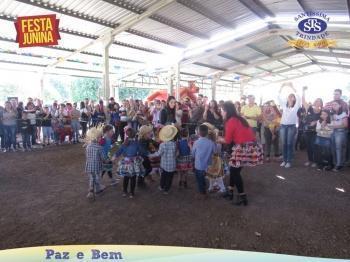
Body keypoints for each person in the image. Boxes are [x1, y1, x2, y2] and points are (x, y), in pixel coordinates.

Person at [217, 101, 263, 206]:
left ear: (227, 111)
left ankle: (243, 198)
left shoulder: (231, 121)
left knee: (235, 171)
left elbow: (227, 140)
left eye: (222, 110)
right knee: (234, 169)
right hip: (249, 146)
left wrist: (216, 138)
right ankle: (230, 192)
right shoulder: (238, 118)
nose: (221, 112)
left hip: (244, 147)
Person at [112, 128, 145, 198]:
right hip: (134, 162)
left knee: (126, 177)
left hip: (126, 162)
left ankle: (124, 191)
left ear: (127, 134)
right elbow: (142, 151)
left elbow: (119, 151)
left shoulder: (124, 142)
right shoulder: (136, 142)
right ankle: (132, 193)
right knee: (133, 178)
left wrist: (114, 157)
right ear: (135, 135)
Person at [278, 83, 301, 168]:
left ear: (294, 99)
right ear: (287, 98)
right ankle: (284, 160)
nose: (291, 98)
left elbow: (298, 97)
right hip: (283, 126)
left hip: (291, 126)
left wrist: (292, 87)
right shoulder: (284, 105)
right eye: (289, 97)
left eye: (292, 97)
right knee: (284, 143)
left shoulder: (296, 106)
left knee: (289, 143)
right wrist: (282, 87)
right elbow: (278, 96)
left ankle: (289, 161)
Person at [150, 125, 178, 195]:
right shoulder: (174, 144)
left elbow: (158, 154)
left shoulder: (162, 145)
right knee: (169, 178)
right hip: (172, 165)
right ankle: (166, 189)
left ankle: (161, 186)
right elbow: (176, 154)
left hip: (164, 164)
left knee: (163, 176)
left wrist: (150, 155)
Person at [191, 124, 216, 197]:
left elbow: (193, 153)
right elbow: (215, 153)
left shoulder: (196, 142)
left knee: (199, 180)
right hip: (208, 164)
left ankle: (202, 193)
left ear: (198, 133)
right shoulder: (211, 142)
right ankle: (204, 190)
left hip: (198, 165)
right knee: (203, 178)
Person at [302, 86, 322, 167]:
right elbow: (303, 100)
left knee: (314, 147)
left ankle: (315, 161)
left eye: (319, 101)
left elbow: (325, 119)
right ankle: (310, 160)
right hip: (307, 131)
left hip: (315, 132)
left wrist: (316, 121)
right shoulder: (309, 108)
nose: (317, 102)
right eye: (316, 101)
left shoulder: (322, 111)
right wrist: (303, 91)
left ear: (321, 103)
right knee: (309, 147)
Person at [84, 126, 107, 199]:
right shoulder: (99, 147)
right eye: (100, 137)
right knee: (97, 177)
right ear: (96, 138)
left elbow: (87, 155)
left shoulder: (88, 146)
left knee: (91, 177)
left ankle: (91, 189)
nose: (101, 138)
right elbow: (103, 158)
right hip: (96, 165)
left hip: (89, 165)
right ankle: (97, 189)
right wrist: (106, 160)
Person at [329, 101, 348, 172]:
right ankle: (335, 163)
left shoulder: (343, 113)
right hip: (333, 132)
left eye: (335, 104)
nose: (334, 106)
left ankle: (339, 164)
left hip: (340, 132)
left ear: (340, 105)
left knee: (338, 149)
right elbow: (331, 123)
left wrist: (334, 126)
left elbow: (345, 125)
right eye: (333, 105)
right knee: (333, 148)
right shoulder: (332, 114)